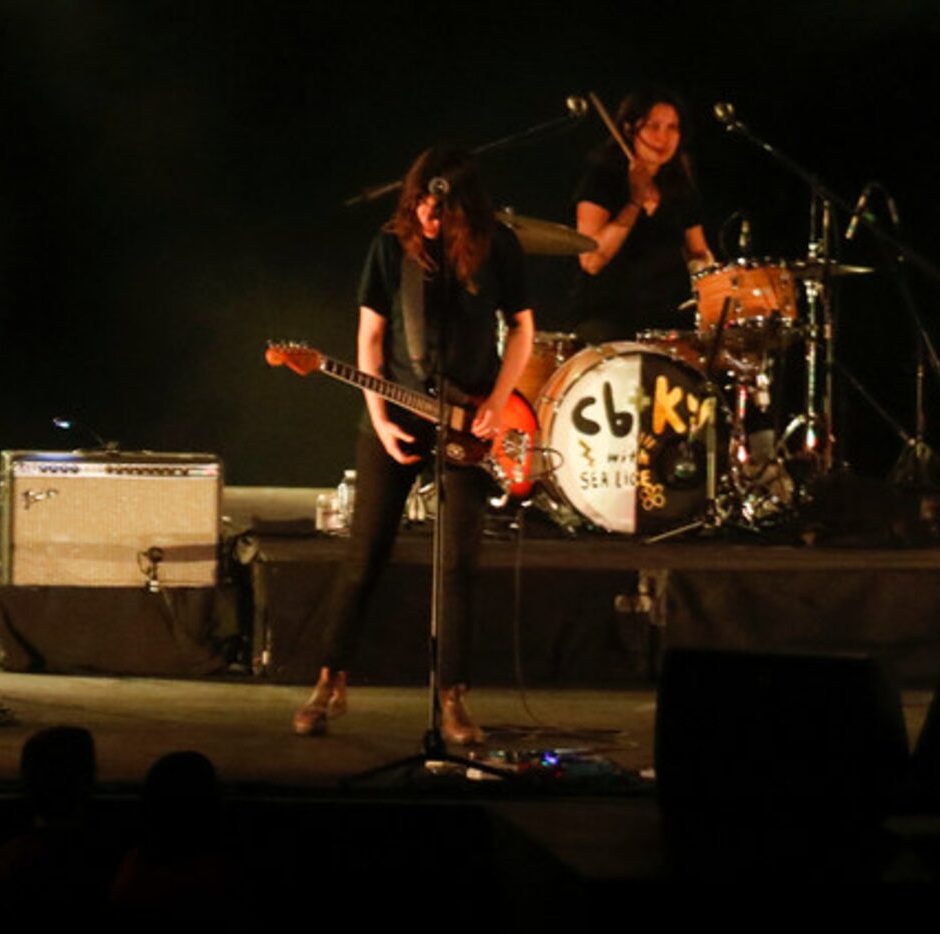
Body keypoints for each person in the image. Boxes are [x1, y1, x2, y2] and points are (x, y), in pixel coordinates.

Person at [294, 147, 534, 746]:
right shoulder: (388, 248)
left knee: (458, 565)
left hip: (470, 419)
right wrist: (378, 417)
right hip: (399, 409)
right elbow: (370, 337)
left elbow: (524, 326)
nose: (429, 214)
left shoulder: (497, 245)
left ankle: (452, 699)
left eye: (441, 205)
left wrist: (499, 401)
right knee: (364, 553)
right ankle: (329, 681)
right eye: (422, 202)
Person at [566, 88, 715, 343]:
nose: (663, 137)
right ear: (628, 129)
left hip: (666, 321)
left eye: (672, 128)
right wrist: (634, 202)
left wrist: (715, 278)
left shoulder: (679, 186)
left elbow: (698, 253)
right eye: (653, 126)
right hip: (606, 319)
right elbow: (592, 260)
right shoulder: (602, 178)